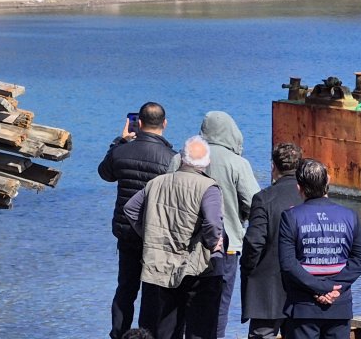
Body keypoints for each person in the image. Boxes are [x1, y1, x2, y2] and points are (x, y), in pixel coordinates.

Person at [124, 135, 225, 339]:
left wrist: (150, 235)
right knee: (200, 328)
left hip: (162, 265)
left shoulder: (156, 183)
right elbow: (213, 222)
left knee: (167, 327)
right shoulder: (208, 187)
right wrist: (214, 243)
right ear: (207, 162)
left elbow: (130, 209)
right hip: (197, 268)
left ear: (181, 158)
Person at [171, 110, 260, 338]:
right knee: (218, 304)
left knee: (179, 301)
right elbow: (255, 205)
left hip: (182, 246)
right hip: (225, 247)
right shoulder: (238, 163)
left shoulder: (180, 158)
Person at [99, 102, 177, 339]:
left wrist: (119, 141)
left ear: (139, 123)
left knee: (126, 288)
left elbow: (105, 173)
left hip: (126, 233)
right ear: (164, 123)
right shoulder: (171, 159)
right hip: (156, 235)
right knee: (152, 291)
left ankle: (118, 334)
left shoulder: (121, 152)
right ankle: (147, 335)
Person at [278, 159, 361, 339]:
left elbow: (288, 264)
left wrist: (319, 288)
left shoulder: (290, 217)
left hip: (303, 307)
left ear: (299, 188)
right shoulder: (350, 216)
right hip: (339, 305)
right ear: (327, 182)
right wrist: (335, 288)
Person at [240, 143, 305, 339]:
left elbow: (254, 242)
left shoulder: (263, 199)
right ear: (300, 165)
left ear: (273, 166)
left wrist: (248, 269)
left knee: (263, 334)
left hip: (267, 285)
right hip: (303, 284)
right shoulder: (310, 198)